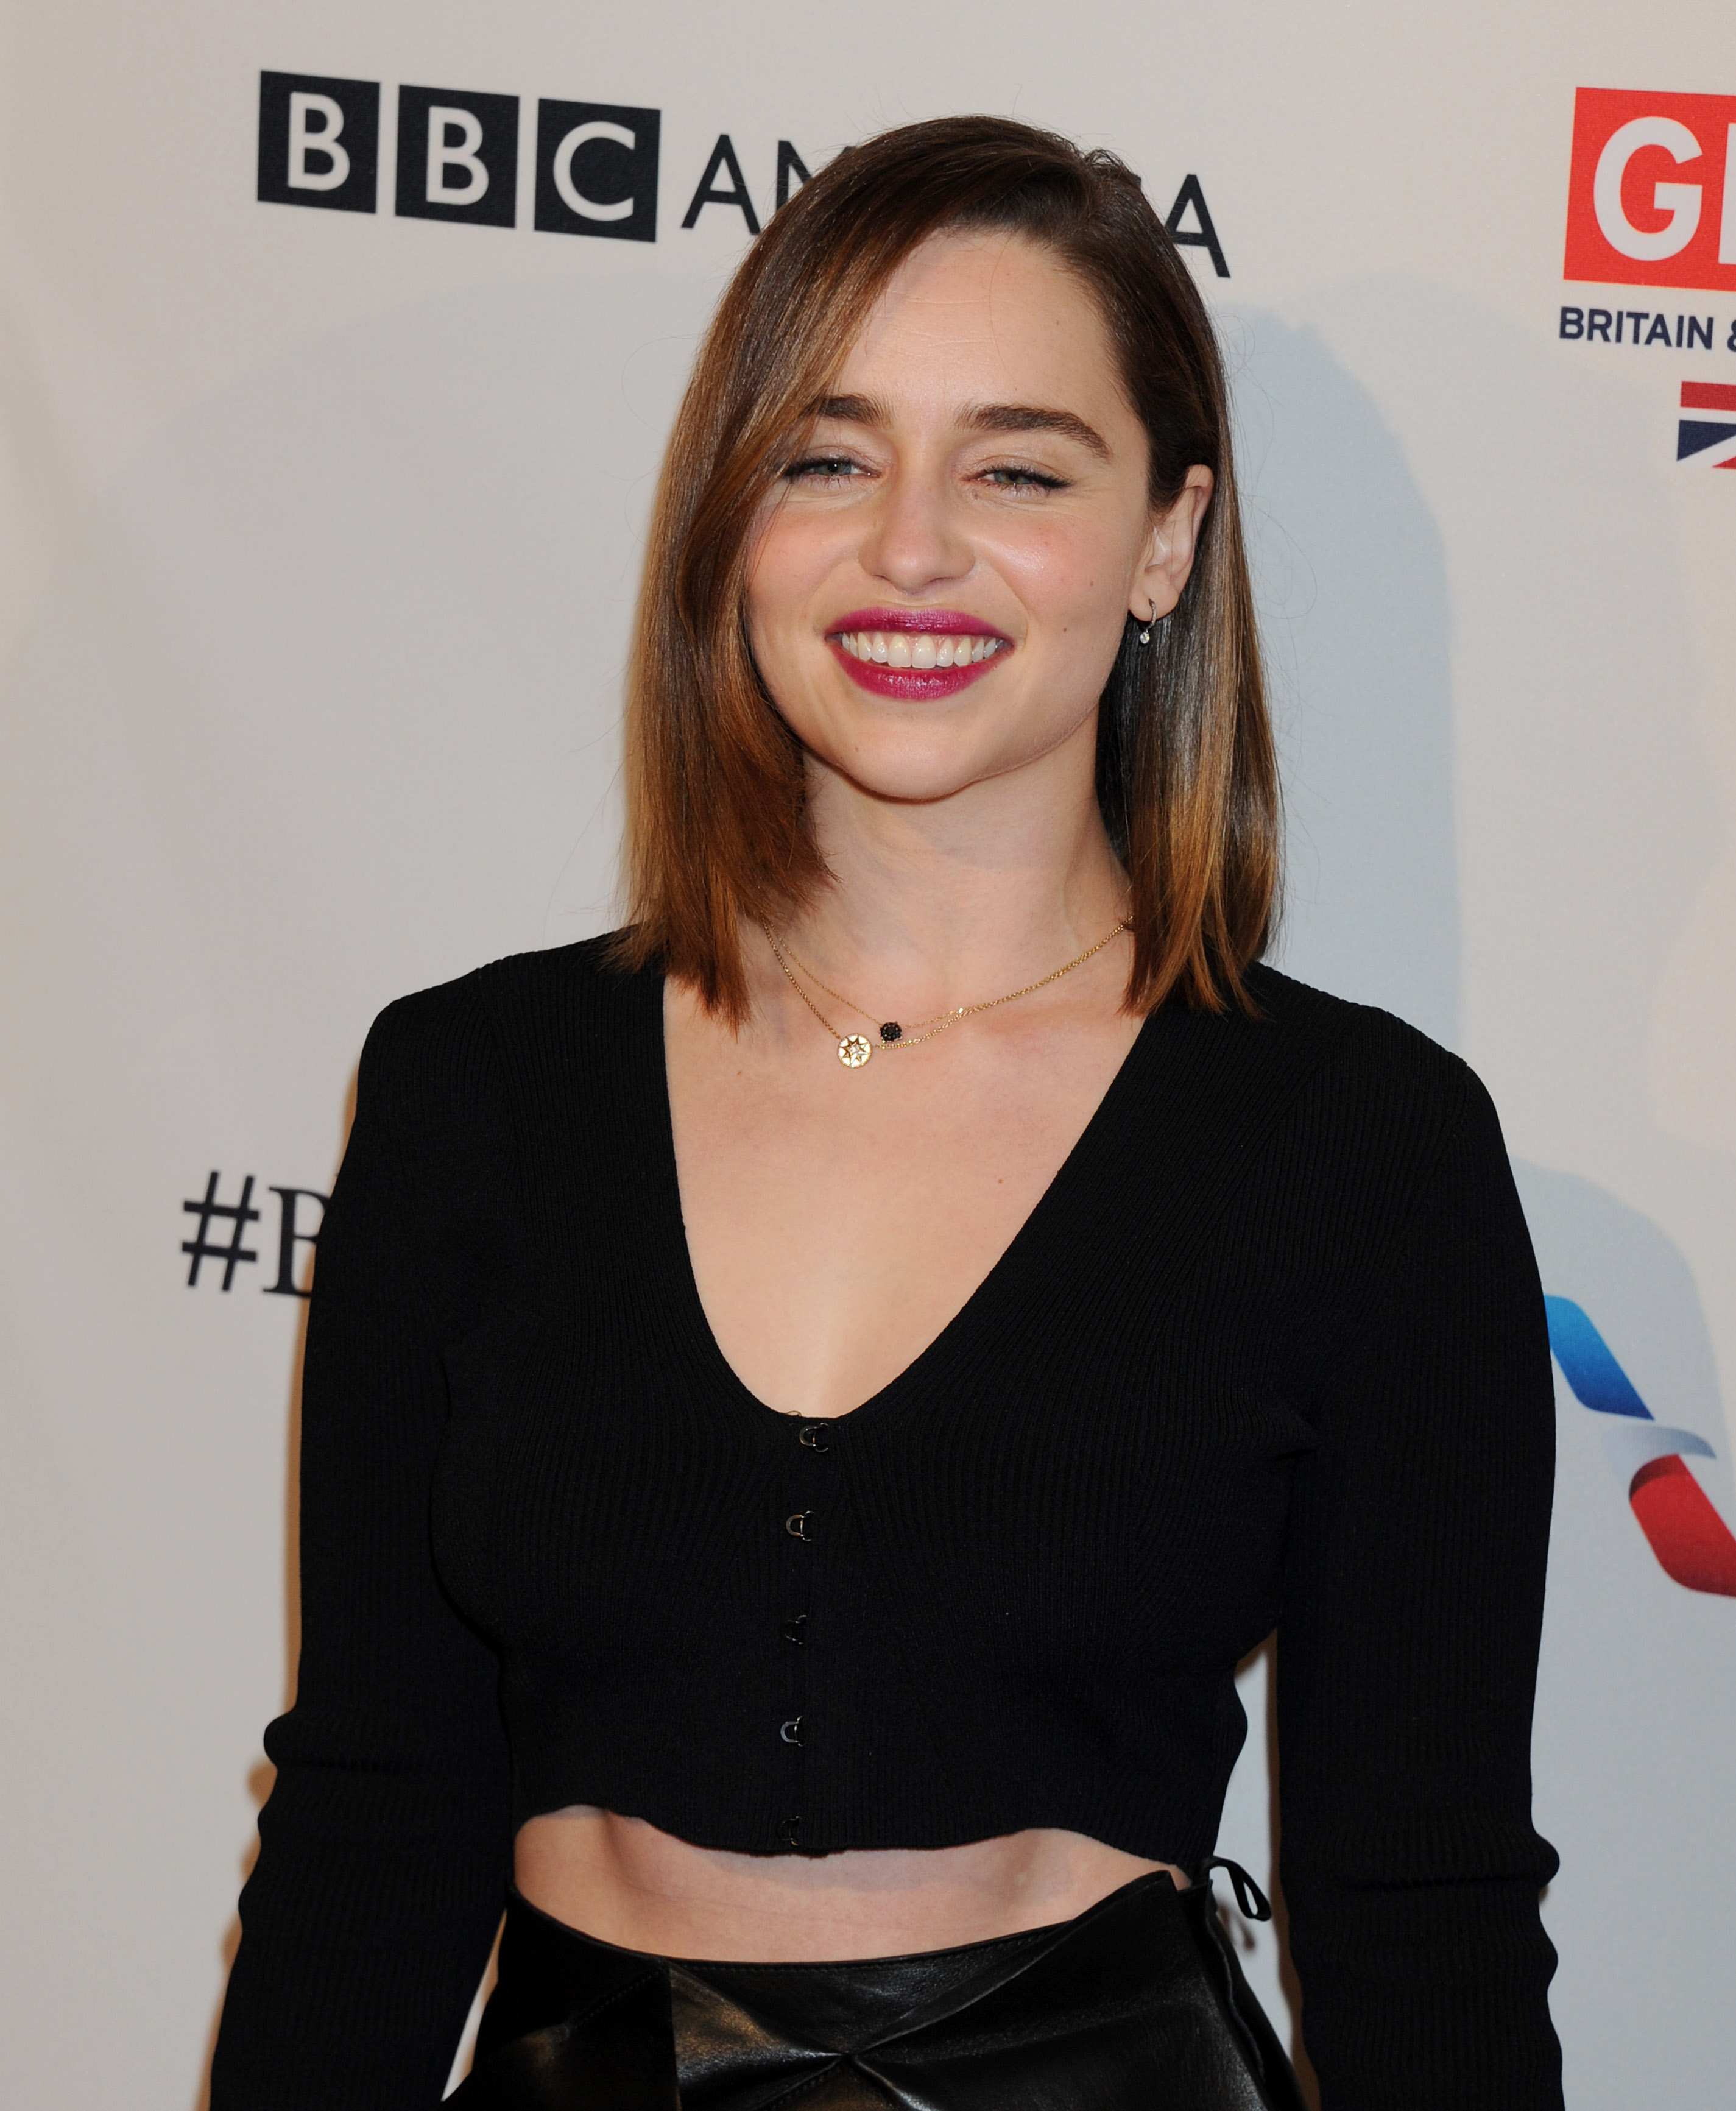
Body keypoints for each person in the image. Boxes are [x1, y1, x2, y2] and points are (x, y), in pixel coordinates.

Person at [210, 116, 1562, 2110]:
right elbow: (371, 1822)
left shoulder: (1361, 1148)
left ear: (1166, 538)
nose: (909, 546)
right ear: (733, 520)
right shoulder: (473, 1086)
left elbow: (1419, 1904)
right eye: (827, 459)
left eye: (1017, 468)